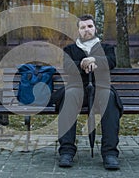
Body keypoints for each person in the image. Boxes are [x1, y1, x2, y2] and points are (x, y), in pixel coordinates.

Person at [55, 14, 123, 170]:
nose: (87, 30)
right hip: (77, 90)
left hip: (101, 89)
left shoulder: (106, 48)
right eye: (83, 27)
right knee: (69, 96)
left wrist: (94, 60)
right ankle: (66, 151)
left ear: (95, 28)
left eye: (90, 26)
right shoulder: (70, 49)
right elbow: (67, 67)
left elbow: (111, 62)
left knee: (109, 98)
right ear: (78, 31)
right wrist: (82, 63)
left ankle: (110, 154)